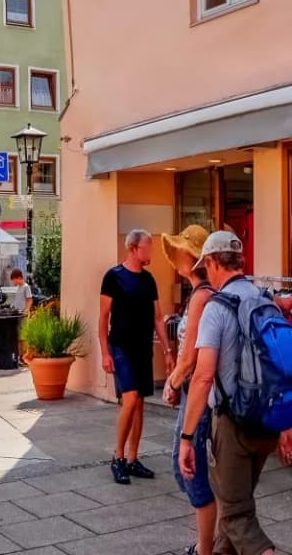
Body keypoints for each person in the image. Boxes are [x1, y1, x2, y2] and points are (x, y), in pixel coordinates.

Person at [179, 230, 283, 555]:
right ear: (240, 260)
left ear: (213, 262)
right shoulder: (266, 300)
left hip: (232, 425)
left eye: (206, 266)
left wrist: (187, 436)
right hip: (266, 422)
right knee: (232, 509)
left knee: (237, 516)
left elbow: (202, 377)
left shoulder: (217, 308)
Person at [160, 226, 219, 555]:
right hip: (194, 387)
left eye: (181, 250)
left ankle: (205, 548)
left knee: (189, 466)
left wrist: (173, 381)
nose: (176, 256)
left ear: (193, 258)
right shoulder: (201, 294)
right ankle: (209, 542)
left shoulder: (201, 297)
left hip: (198, 389)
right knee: (187, 465)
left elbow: (190, 355)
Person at [101, 228, 171, 485]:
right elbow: (103, 318)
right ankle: (117, 457)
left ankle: (132, 458)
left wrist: (167, 351)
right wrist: (105, 353)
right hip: (121, 347)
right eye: (147, 247)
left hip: (143, 349)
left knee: (139, 403)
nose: (150, 251)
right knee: (129, 399)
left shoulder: (149, 280)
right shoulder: (113, 277)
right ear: (133, 248)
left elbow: (158, 318)